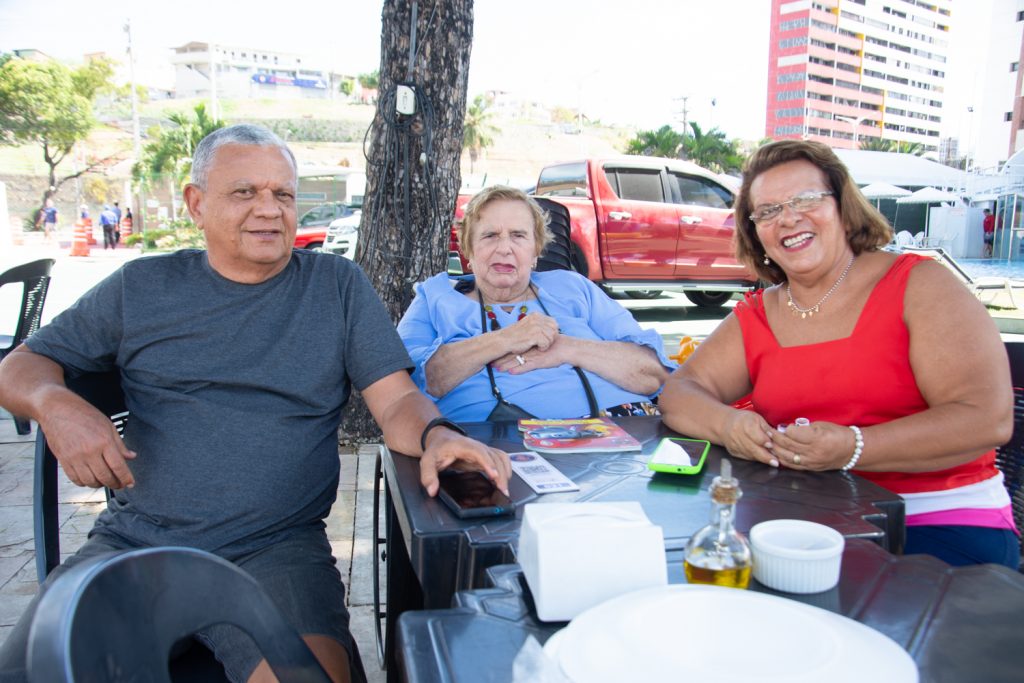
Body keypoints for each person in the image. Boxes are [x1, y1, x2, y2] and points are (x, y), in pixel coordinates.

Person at [0, 124, 510, 683]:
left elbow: (395, 404)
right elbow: (18, 366)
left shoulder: (335, 286)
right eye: (245, 192)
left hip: (276, 550)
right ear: (196, 204)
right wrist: (55, 403)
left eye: (283, 194)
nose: (269, 209)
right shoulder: (141, 286)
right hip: (134, 545)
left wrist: (439, 436)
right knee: (37, 672)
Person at [659, 140, 1019, 569]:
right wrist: (729, 424)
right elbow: (680, 393)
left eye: (806, 199)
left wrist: (853, 447)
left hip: (935, 518)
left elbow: (986, 417)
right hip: (804, 516)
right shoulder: (758, 312)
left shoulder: (921, 285)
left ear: (843, 207)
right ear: (755, 232)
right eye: (768, 211)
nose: (789, 218)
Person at [397, 185, 674, 422]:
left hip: (625, 432)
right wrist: (506, 339)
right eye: (490, 235)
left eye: (518, 236)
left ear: (536, 250)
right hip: (502, 449)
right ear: (468, 249)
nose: (504, 248)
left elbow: (654, 374)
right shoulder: (435, 296)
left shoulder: (573, 287)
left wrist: (568, 348)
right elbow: (406, 389)